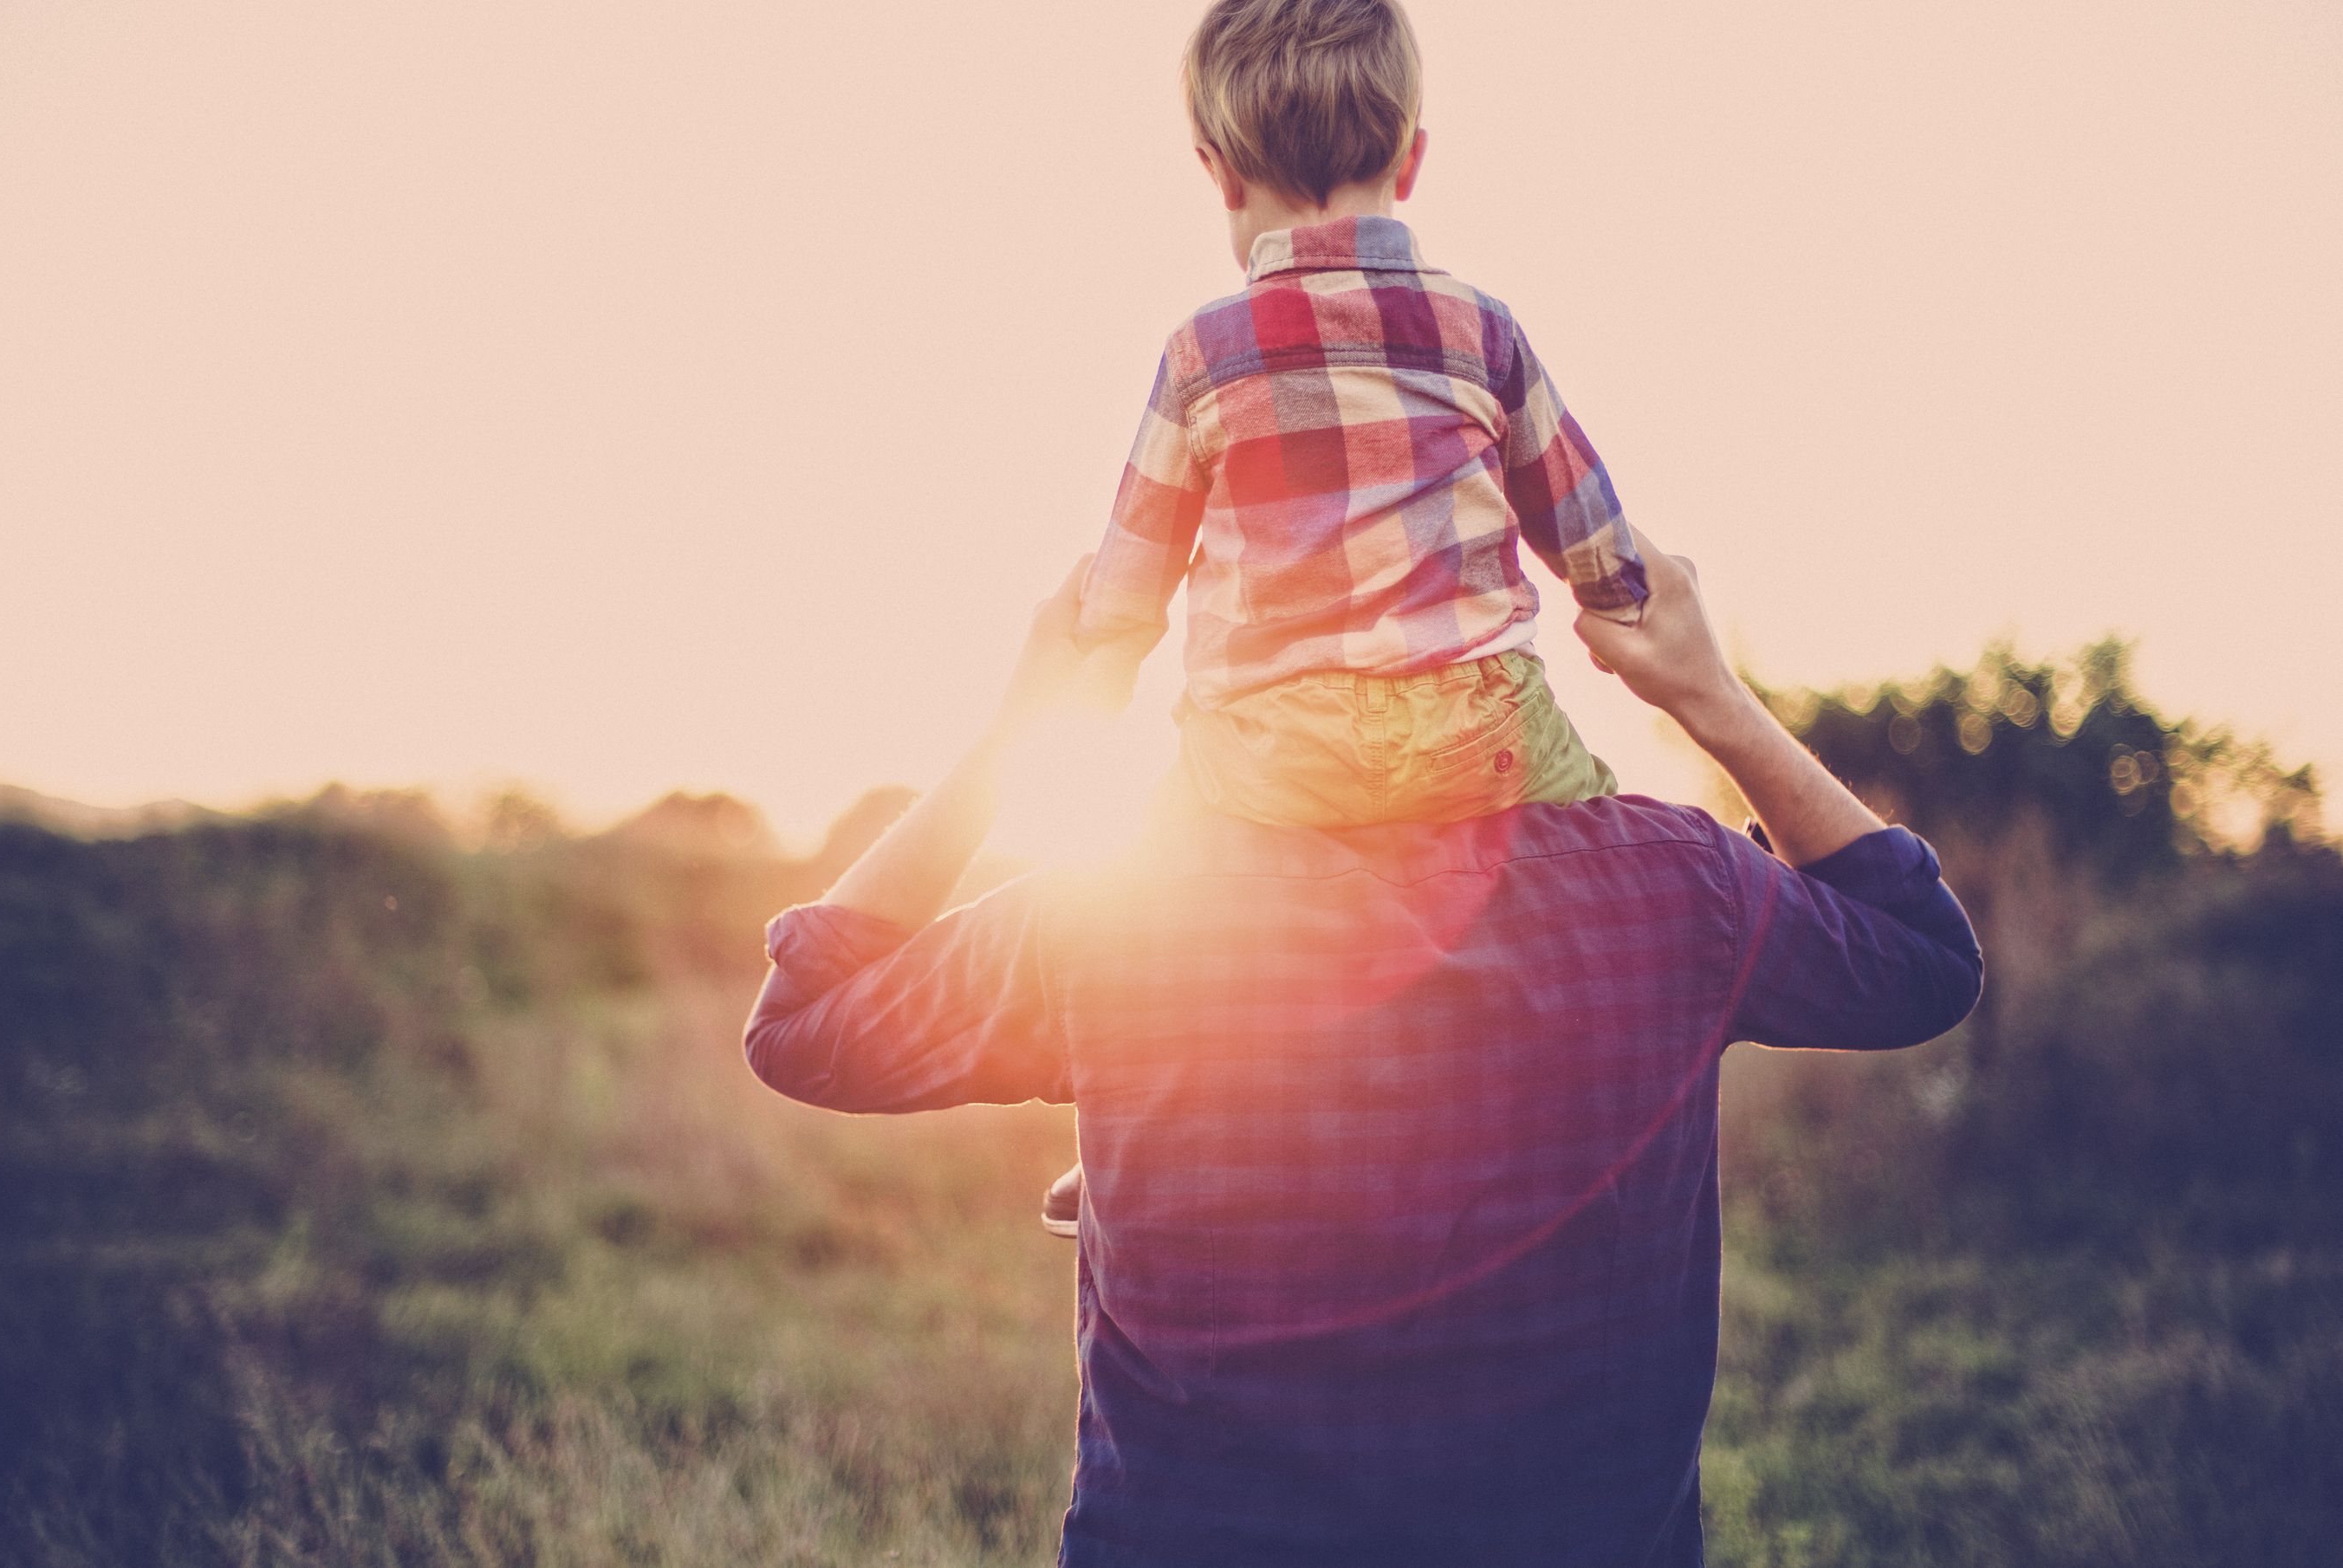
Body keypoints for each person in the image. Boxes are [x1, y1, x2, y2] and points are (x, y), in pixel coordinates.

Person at [743, 541, 1983, 1567]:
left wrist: (1022, 725)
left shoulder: (1120, 910)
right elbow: (1922, 955)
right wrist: (1706, 692)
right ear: (1500, 643)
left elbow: (803, 1022)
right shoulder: (1672, 884)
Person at [1054, 0, 1650, 1232]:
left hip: (1267, 756)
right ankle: (1622, 1041)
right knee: (1610, 830)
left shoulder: (1203, 355)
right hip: (1477, 730)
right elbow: (1592, 535)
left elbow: (1127, 586)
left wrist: (1096, 675)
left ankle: (1112, 1123)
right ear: (1413, 159)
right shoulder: (1485, 334)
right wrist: (1621, 596)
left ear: (1217, 175)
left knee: (1144, 897)